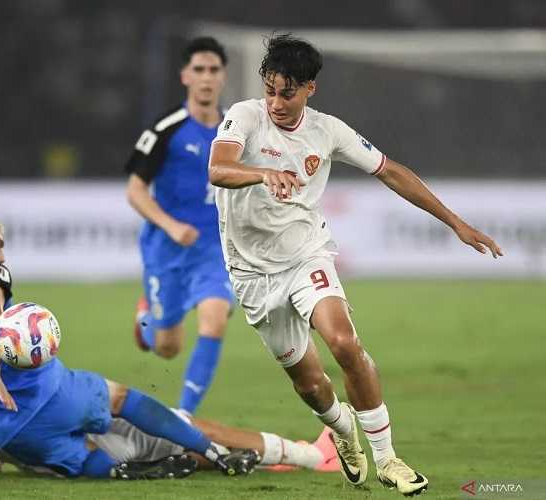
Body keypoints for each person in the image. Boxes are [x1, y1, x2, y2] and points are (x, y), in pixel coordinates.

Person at [208, 35, 503, 497]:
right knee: (309, 384)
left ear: (310, 89)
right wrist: (263, 173)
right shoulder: (243, 116)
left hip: (306, 255)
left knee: (344, 341)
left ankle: (388, 459)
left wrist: (456, 223)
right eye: (270, 90)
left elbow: (390, 170)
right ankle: (343, 431)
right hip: (251, 275)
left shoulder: (328, 131)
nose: (275, 102)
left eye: (287, 92)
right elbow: (218, 168)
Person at [0, 211, 257, 482]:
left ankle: (119, 471)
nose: (3, 252)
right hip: (47, 392)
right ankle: (215, 452)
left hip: (10, 431)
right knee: (121, 398)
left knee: (78, 460)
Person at [124, 36, 234, 416]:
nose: (206, 78)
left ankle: (184, 416)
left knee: (215, 320)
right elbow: (135, 191)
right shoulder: (166, 128)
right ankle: (147, 320)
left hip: (214, 249)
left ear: (223, 77)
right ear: (185, 76)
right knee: (167, 345)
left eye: (214, 70)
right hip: (167, 247)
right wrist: (170, 226)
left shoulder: (237, 130)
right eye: (199, 70)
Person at [0, 377, 340, 477]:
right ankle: (313, 457)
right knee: (195, 429)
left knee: (187, 456)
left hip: (64, 465)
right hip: (99, 435)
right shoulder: (6, 374)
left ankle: (271, 461)